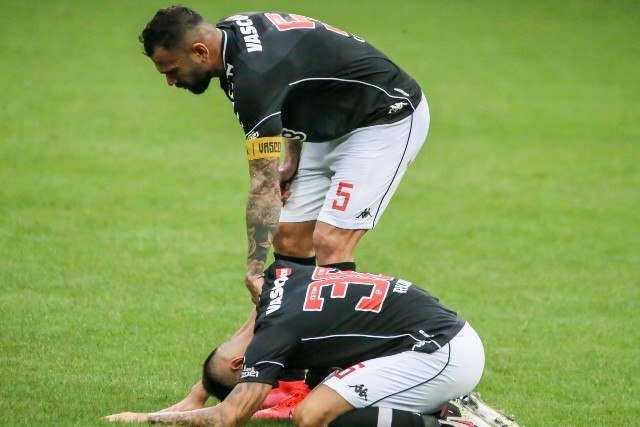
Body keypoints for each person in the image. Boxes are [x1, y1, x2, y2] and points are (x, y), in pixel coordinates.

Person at [138, 7, 431, 304]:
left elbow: (264, 187)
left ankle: (332, 344)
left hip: (385, 118)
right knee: (289, 237)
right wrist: (293, 157)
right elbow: (296, 82)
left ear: (200, 51)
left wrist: (254, 270)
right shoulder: (231, 30)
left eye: (172, 70)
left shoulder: (253, 76)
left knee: (331, 243)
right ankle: (282, 334)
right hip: (334, 121)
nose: (170, 82)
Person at [106, 260, 485, 426]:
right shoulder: (278, 280)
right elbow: (254, 328)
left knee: (311, 415)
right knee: (326, 393)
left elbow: (229, 417)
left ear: (244, 364)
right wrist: (199, 392)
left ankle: (457, 423)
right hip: (442, 337)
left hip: (442, 352)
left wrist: (147, 418)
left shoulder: (273, 337)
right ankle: (444, 407)